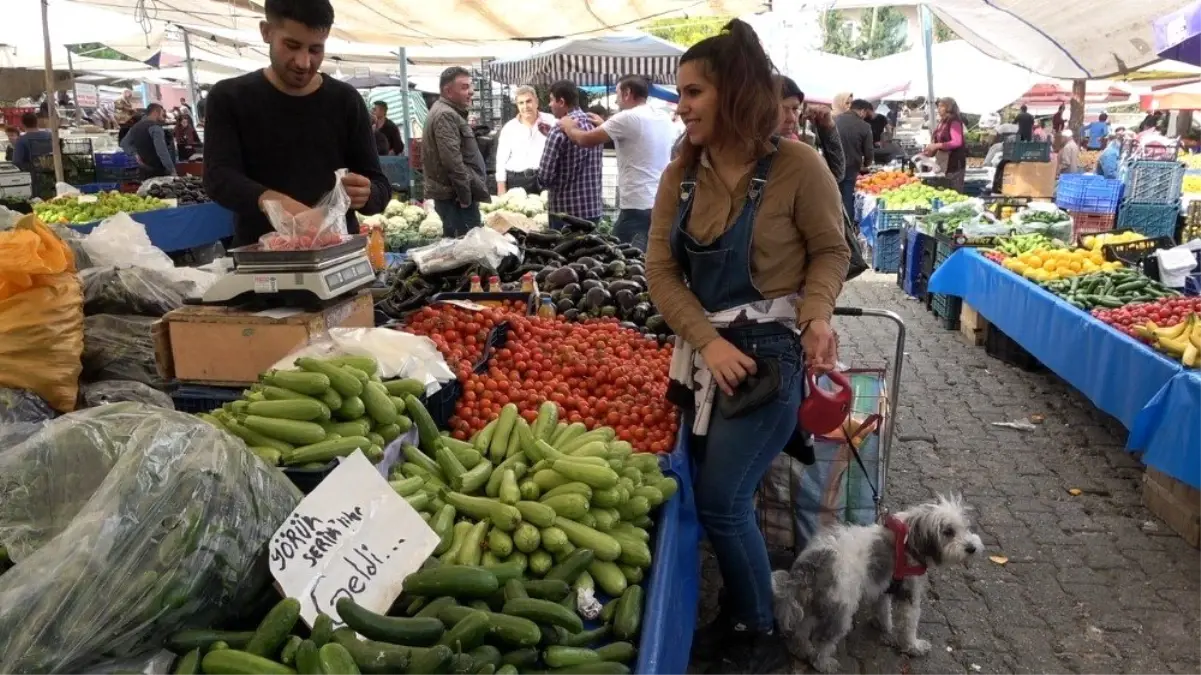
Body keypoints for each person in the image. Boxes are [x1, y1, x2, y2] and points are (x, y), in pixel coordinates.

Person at [645, 19, 849, 673]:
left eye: (694, 91)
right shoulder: (679, 173)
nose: (682, 106)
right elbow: (659, 272)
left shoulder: (798, 166)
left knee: (722, 497)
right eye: (680, 93)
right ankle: (738, 606)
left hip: (769, 353)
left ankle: (756, 628)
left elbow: (830, 249)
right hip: (707, 353)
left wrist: (816, 315)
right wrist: (705, 341)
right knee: (721, 496)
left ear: (733, 92)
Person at [202, 0, 389, 247]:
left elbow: (379, 185)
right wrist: (275, 203)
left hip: (336, 256)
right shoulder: (229, 97)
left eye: (315, 50)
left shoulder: (346, 100)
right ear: (266, 32)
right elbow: (218, 177)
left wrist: (367, 193)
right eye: (292, 45)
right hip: (263, 260)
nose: (303, 62)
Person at [559, 75, 675, 251]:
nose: (615, 99)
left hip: (637, 206)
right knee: (649, 258)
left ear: (628, 92)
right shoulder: (662, 116)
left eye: (618, 93)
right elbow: (637, 138)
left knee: (619, 256)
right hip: (661, 202)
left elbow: (584, 140)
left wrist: (567, 126)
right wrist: (605, 125)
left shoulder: (626, 117)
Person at [423, 67, 489, 236]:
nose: (471, 92)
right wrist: (465, 196)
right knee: (466, 250)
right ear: (448, 91)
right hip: (455, 200)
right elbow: (452, 161)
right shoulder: (446, 115)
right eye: (465, 87)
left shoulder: (447, 112)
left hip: (454, 197)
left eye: (470, 86)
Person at [538, 80, 603, 228]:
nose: (549, 104)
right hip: (593, 209)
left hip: (565, 213)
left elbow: (545, 177)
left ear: (561, 102)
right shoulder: (596, 124)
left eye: (551, 100)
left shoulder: (558, 130)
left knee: (566, 251)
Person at [775, 75, 844, 180]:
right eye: (782, 109)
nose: (792, 118)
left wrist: (827, 128)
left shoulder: (794, 146)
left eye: (795, 108)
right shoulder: (745, 153)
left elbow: (834, 176)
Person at [494, 85, 554, 195]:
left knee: (549, 212)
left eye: (528, 101)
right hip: (518, 182)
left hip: (546, 180)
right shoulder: (509, 128)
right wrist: (501, 190)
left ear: (536, 102)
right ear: (517, 105)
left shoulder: (551, 122)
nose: (525, 106)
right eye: (521, 103)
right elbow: (500, 162)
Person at [834, 99, 874, 221]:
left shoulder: (834, 120)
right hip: (851, 166)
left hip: (832, 164)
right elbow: (868, 150)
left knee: (833, 195)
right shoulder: (865, 126)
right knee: (847, 197)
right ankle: (848, 228)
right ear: (862, 111)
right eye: (865, 114)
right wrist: (867, 164)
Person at [121, 103, 177, 179]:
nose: (163, 117)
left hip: (143, 169)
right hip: (158, 171)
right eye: (162, 114)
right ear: (156, 112)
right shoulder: (156, 128)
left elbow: (124, 143)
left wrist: (135, 154)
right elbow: (162, 151)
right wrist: (172, 169)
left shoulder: (135, 127)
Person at [925, 97, 968, 192]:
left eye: (942, 106)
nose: (938, 109)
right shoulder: (942, 122)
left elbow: (957, 142)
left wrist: (937, 146)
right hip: (942, 163)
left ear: (949, 107)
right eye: (938, 106)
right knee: (942, 190)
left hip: (954, 163)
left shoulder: (954, 121)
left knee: (953, 192)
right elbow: (937, 140)